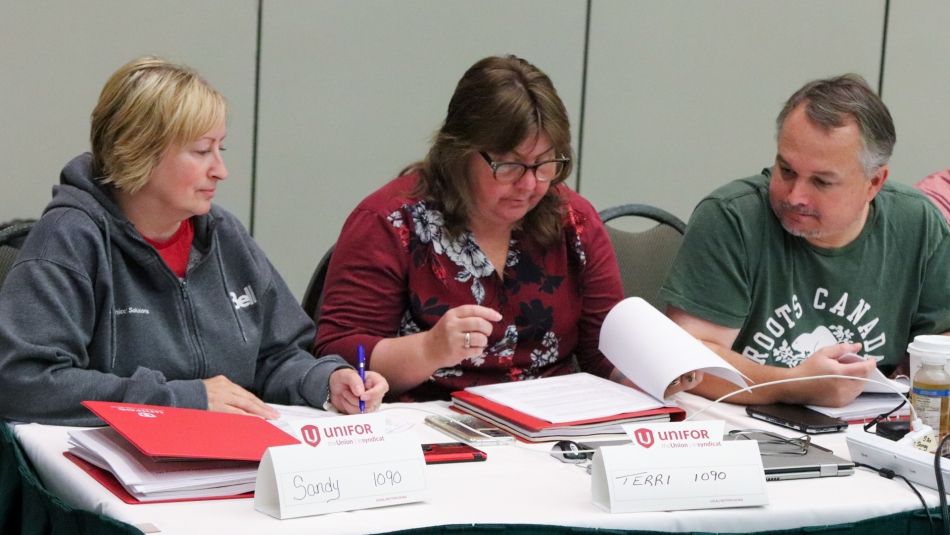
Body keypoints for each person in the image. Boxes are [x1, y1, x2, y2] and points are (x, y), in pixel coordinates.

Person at [0, 57, 387, 426]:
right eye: (202, 151)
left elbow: (276, 354)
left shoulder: (223, 234)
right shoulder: (71, 238)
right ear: (138, 152)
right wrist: (186, 400)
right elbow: (24, 382)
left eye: (221, 148)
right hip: (103, 475)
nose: (221, 170)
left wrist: (328, 381)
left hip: (222, 464)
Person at [314, 55, 701, 401]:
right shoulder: (390, 221)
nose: (531, 184)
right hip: (430, 430)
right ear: (459, 153)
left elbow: (603, 352)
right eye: (510, 165)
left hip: (552, 430)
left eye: (546, 164)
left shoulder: (573, 221)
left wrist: (656, 374)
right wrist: (429, 349)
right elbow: (339, 353)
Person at [660, 74, 950, 407]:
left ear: (874, 183)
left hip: (863, 426)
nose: (795, 195)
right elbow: (688, 361)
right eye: (786, 170)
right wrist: (795, 384)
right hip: (737, 426)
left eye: (821, 182)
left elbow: (942, 342)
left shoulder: (917, 223)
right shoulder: (733, 217)